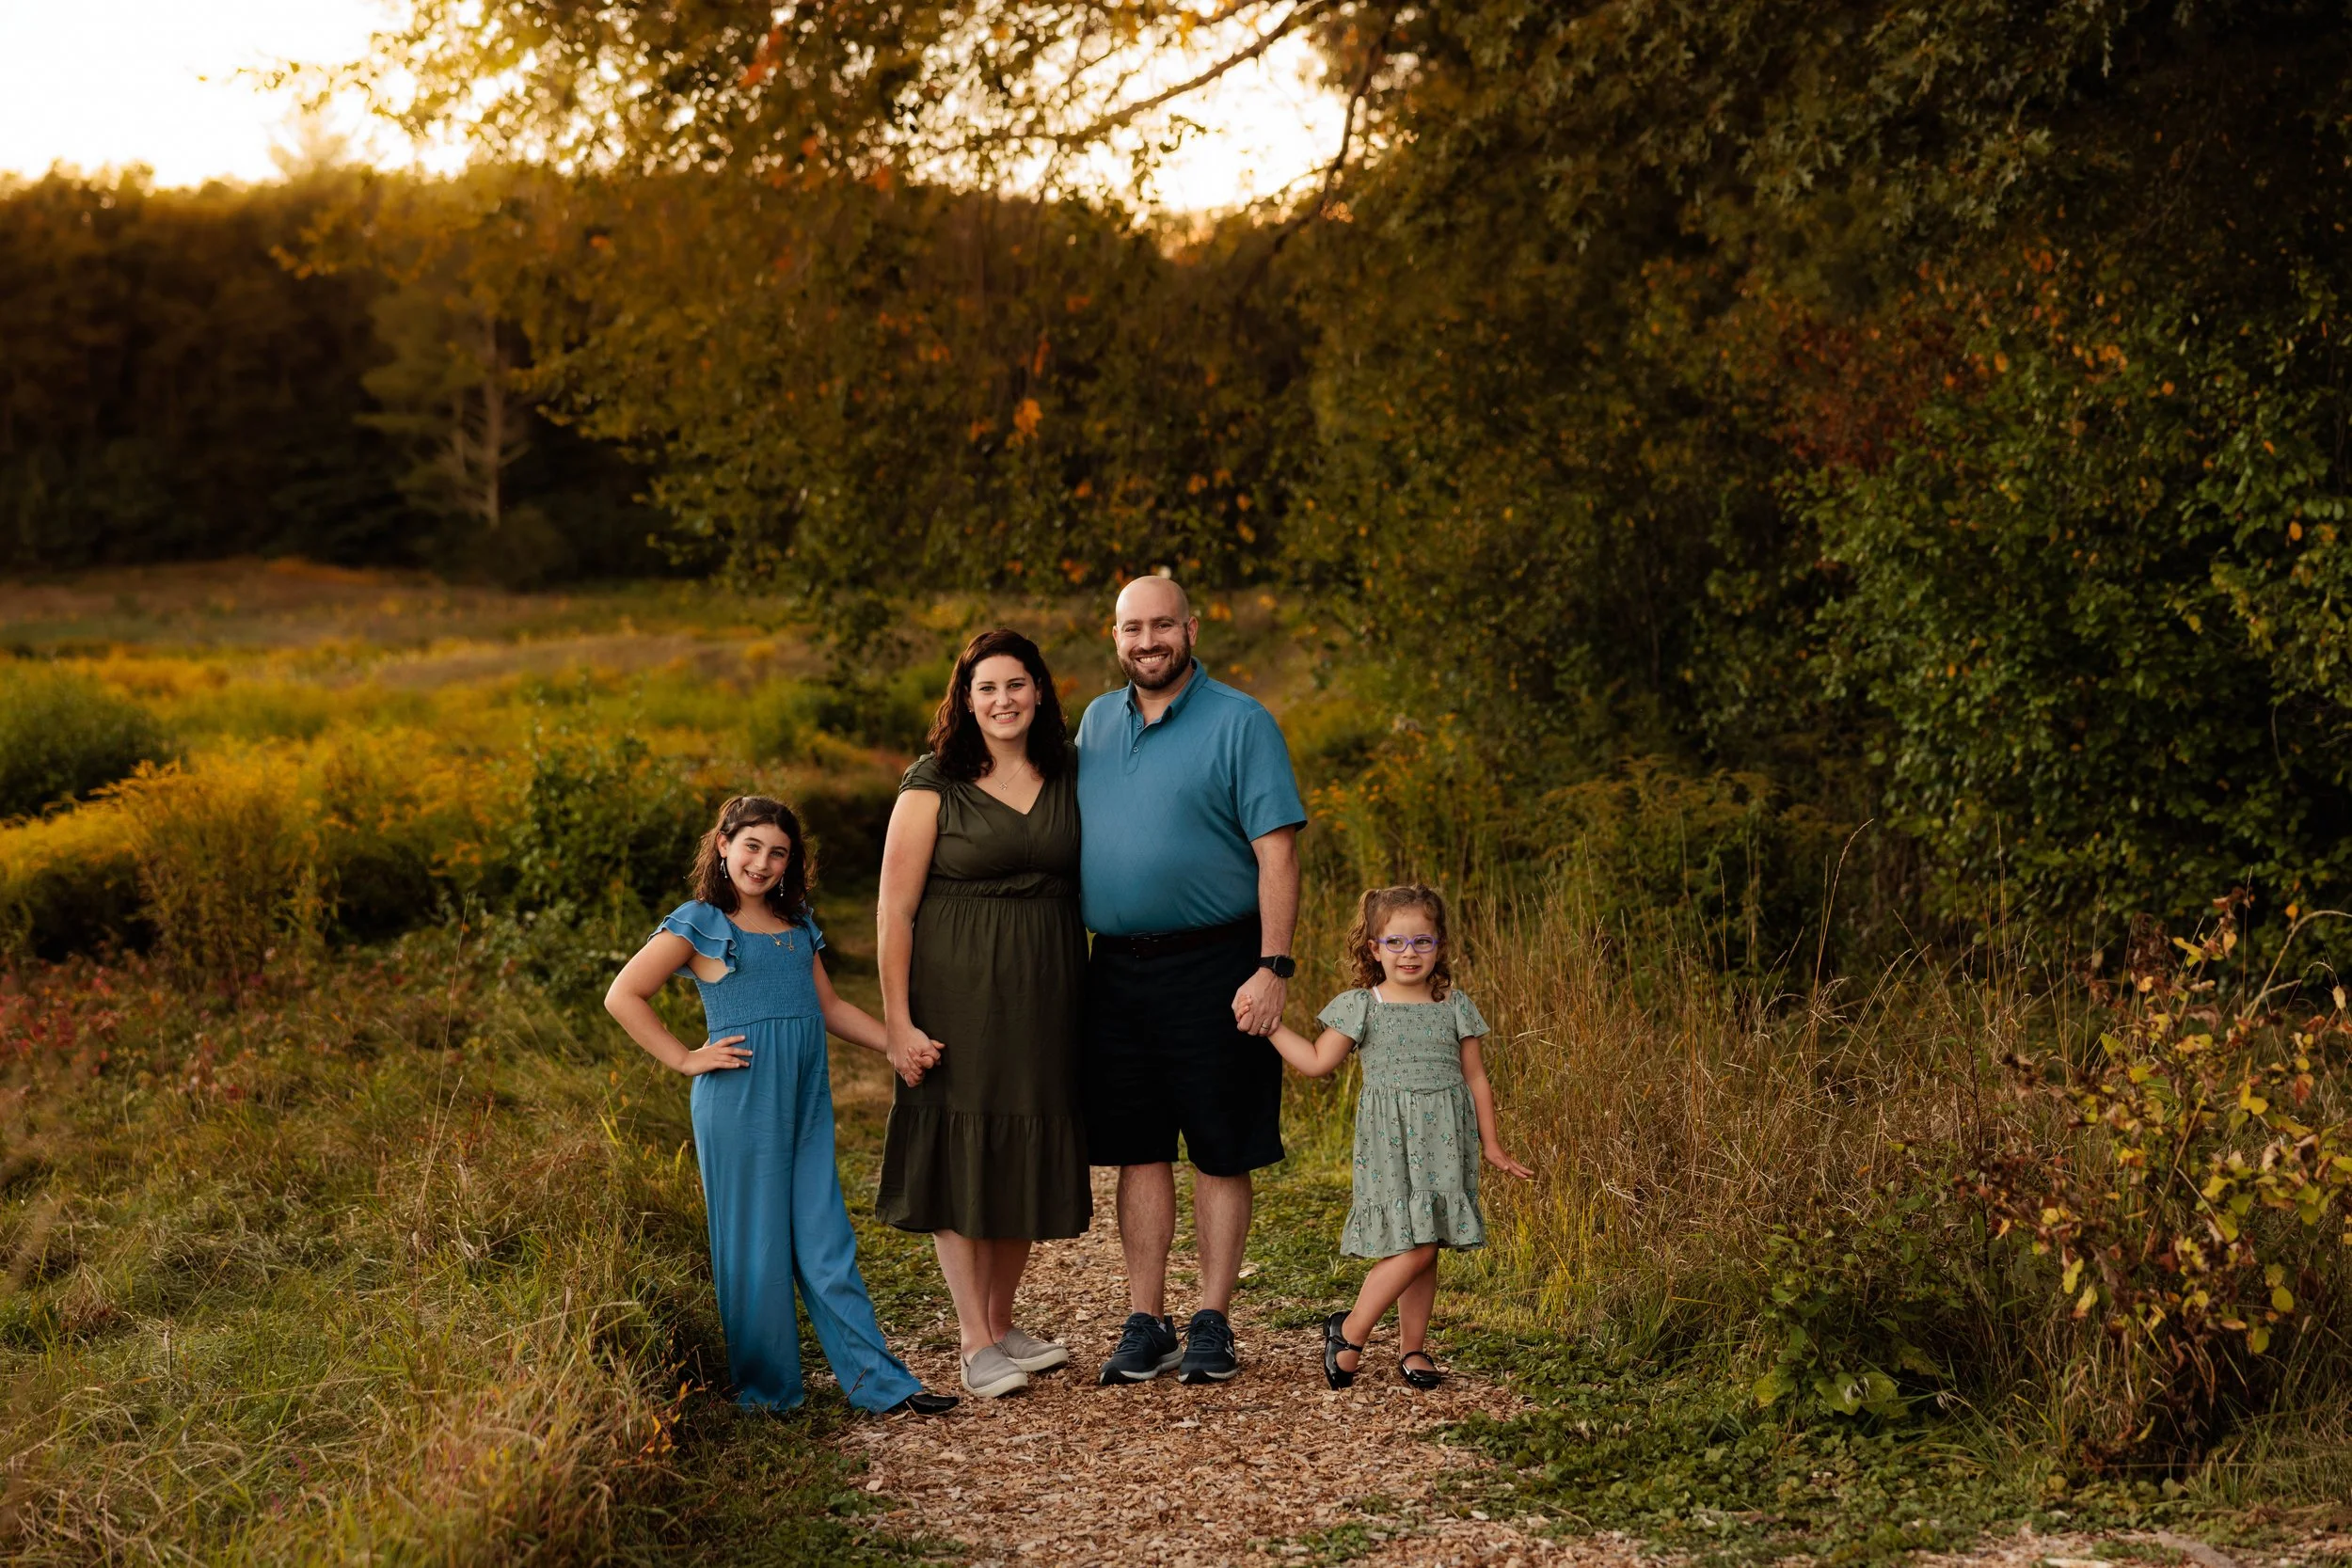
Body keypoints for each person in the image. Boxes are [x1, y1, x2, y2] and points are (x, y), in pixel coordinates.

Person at [605, 795, 957, 1418]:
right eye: (751, 846)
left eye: (778, 852)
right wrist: (686, 1057)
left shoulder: (797, 925)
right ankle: (768, 1394)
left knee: (826, 1239)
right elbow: (624, 994)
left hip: (803, 1097)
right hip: (737, 1100)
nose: (763, 862)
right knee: (753, 1244)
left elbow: (829, 1008)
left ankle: (880, 1385)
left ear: (791, 862)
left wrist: (895, 1042)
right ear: (723, 845)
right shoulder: (699, 922)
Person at [1076, 574, 1307, 1386]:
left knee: (1218, 1143)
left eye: (1162, 625)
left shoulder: (1243, 721)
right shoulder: (1096, 723)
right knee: (1138, 1149)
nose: (1148, 641)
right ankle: (1146, 1318)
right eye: (1132, 628)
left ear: (1192, 628)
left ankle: (1213, 1317)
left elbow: (1277, 852)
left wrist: (1272, 966)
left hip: (1219, 960)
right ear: (1115, 637)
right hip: (1116, 968)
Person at [875, 627, 1092, 1400]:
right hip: (956, 993)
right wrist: (897, 1023)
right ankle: (972, 1340)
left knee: (1024, 1139)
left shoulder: (1068, 770)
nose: (1003, 700)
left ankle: (1003, 1322)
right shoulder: (933, 780)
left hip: (1049, 989)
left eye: (1016, 684)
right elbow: (894, 914)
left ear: (1040, 691)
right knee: (964, 1142)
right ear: (966, 700)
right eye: (987, 688)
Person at [1264, 884, 1535, 1388]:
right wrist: (1273, 1028)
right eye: (1395, 943)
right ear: (1374, 948)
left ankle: (1413, 1349)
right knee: (1415, 1246)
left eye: (1422, 942)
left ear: (1440, 946)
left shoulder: (1454, 1004)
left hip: (1446, 1141)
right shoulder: (1362, 1005)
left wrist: (1492, 1144)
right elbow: (1318, 1063)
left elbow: (1476, 1078)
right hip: (1391, 1143)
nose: (1409, 954)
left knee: (1426, 1240)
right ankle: (1349, 1331)